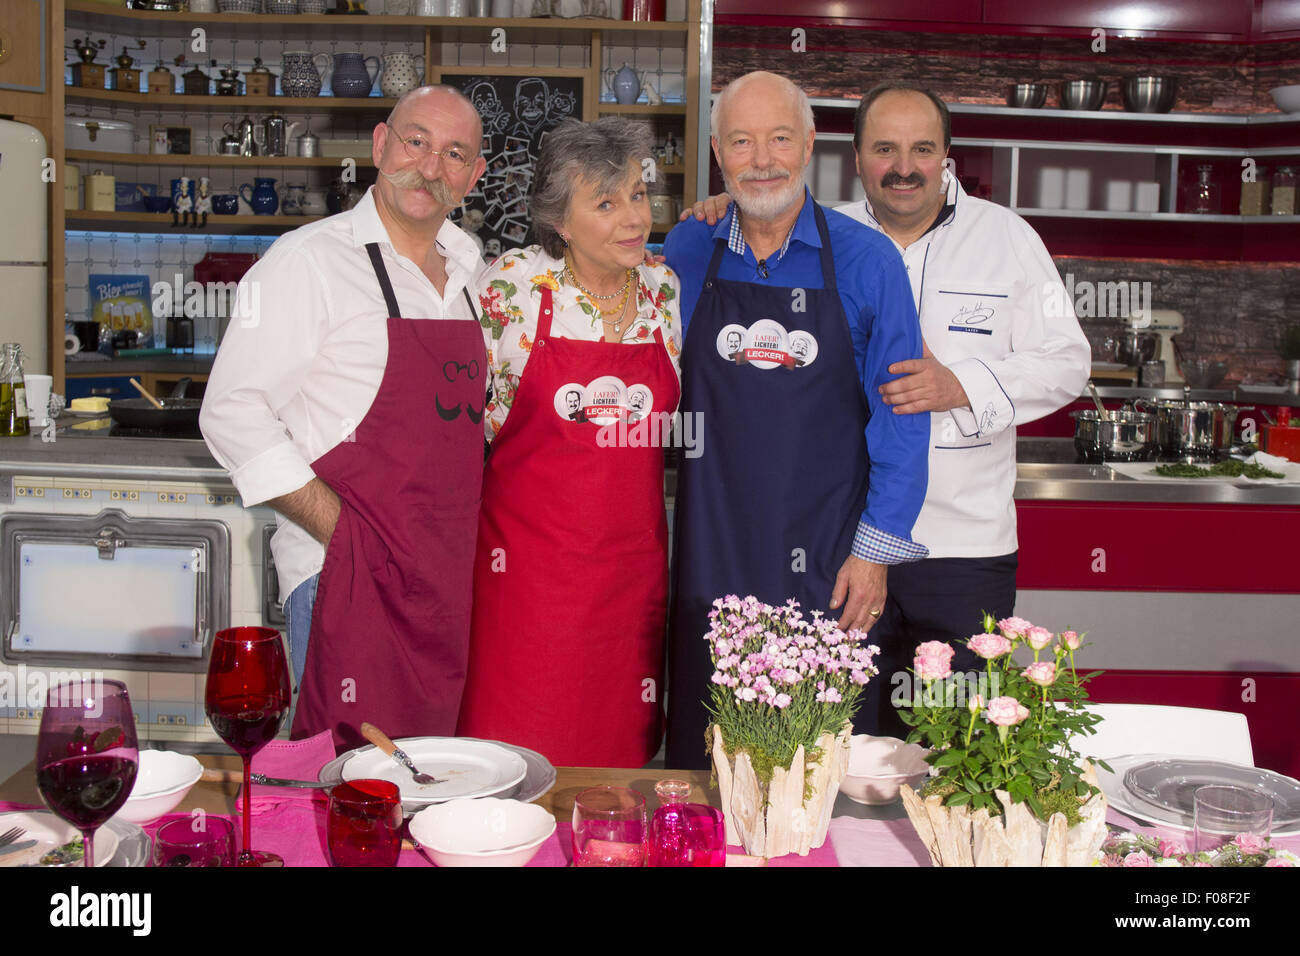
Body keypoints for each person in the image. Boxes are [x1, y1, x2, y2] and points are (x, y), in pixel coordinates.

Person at [683, 82, 1090, 737]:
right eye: (884, 149)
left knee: (952, 745)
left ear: (947, 156)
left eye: (922, 149)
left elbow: (1068, 361)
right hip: (837, 547)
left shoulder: (1008, 241)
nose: (903, 167)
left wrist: (963, 387)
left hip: (961, 549)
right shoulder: (817, 233)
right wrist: (724, 212)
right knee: (838, 739)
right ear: (853, 157)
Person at [199, 86, 490, 750]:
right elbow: (230, 412)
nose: (430, 166)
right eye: (416, 142)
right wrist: (342, 532)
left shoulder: (472, 271)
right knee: (351, 787)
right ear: (381, 146)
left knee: (434, 781)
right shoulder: (307, 262)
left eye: (454, 154)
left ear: (473, 176)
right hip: (345, 580)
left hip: (443, 585)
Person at [661, 71, 930, 770]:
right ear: (719, 153)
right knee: (710, 762)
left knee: (819, 762)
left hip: (829, 563)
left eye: (779, 138)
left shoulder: (870, 263)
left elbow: (903, 422)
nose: (762, 160)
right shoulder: (687, 251)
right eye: (742, 142)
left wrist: (875, 555)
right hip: (708, 555)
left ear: (810, 145)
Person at [456, 116, 682, 767]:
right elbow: (463, 432)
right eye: (606, 203)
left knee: (616, 772)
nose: (633, 218)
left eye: (637, 196)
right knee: (510, 762)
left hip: (629, 583)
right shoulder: (513, 288)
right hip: (523, 582)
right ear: (559, 218)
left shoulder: (664, 292)